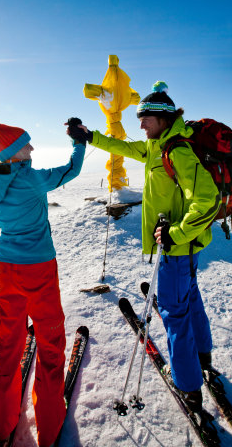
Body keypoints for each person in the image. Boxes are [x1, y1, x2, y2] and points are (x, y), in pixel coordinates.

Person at [71, 81, 220, 414]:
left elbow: (208, 200)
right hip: (184, 249)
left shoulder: (177, 151)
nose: (140, 125)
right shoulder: (156, 146)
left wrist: (176, 234)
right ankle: (202, 358)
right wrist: (90, 136)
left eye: (145, 120)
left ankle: (188, 387)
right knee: (190, 299)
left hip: (177, 249)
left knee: (173, 313)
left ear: (163, 119)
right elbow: (123, 146)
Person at [0, 118, 87, 447]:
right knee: (50, 344)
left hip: (6, 269)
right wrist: (79, 143)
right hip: (39, 268)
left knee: (7, 345)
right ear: (15, 151)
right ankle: (49, 427)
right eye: (27, 144)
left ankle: (2, 424)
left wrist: (12, 218)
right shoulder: (34, 179)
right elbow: (71, 171)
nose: (33, 148)